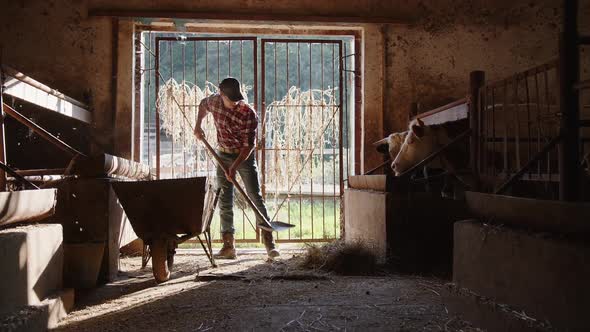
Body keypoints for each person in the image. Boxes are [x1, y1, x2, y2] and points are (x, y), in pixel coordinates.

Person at [194, 77, 279, 259]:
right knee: (224, 198)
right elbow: (202, 106)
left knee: (254, 196)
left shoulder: (248, 114)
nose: (235, 102)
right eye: (230, 98)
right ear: (221, 94)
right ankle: (228, 246)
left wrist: (234, 167)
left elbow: (248, 147)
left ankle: (269, 243)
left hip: (243, 157)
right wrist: (198, 126)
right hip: (222, 154)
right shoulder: (214, 102)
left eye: (236, 98)